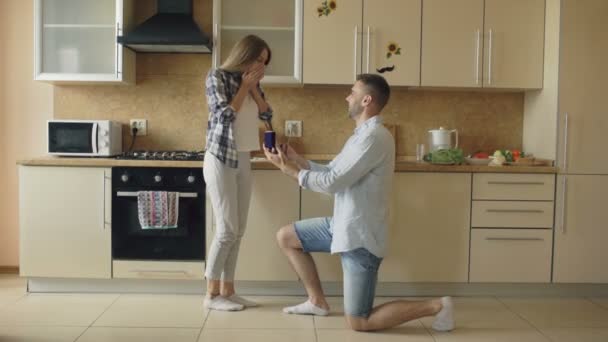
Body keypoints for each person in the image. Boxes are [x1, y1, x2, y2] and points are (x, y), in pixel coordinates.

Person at [263, 74, 454, 332]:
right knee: (287, 237)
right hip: (343, 225)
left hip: (360, 237)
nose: (347, 97)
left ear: (366, 100)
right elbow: (333, 170)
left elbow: (332, 182)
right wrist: (298, 160)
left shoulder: (373, 137)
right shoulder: (361, 135)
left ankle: (438, 306)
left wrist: (290, 171)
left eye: (352, 92)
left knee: (360, 321)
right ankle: (317, 301)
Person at [203, 35, 273, 311]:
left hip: (243, 157)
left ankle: (228, 291)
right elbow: (224, 116)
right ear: (246, 54)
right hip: (220, 157)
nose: (261, 66)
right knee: (226, 229)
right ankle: (210, 294)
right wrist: (244, 86)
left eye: (265, 62)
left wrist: (254, 88)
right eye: (259, 59)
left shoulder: (254, 84)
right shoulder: (217, 77)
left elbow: (267, 116)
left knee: (239, 230)